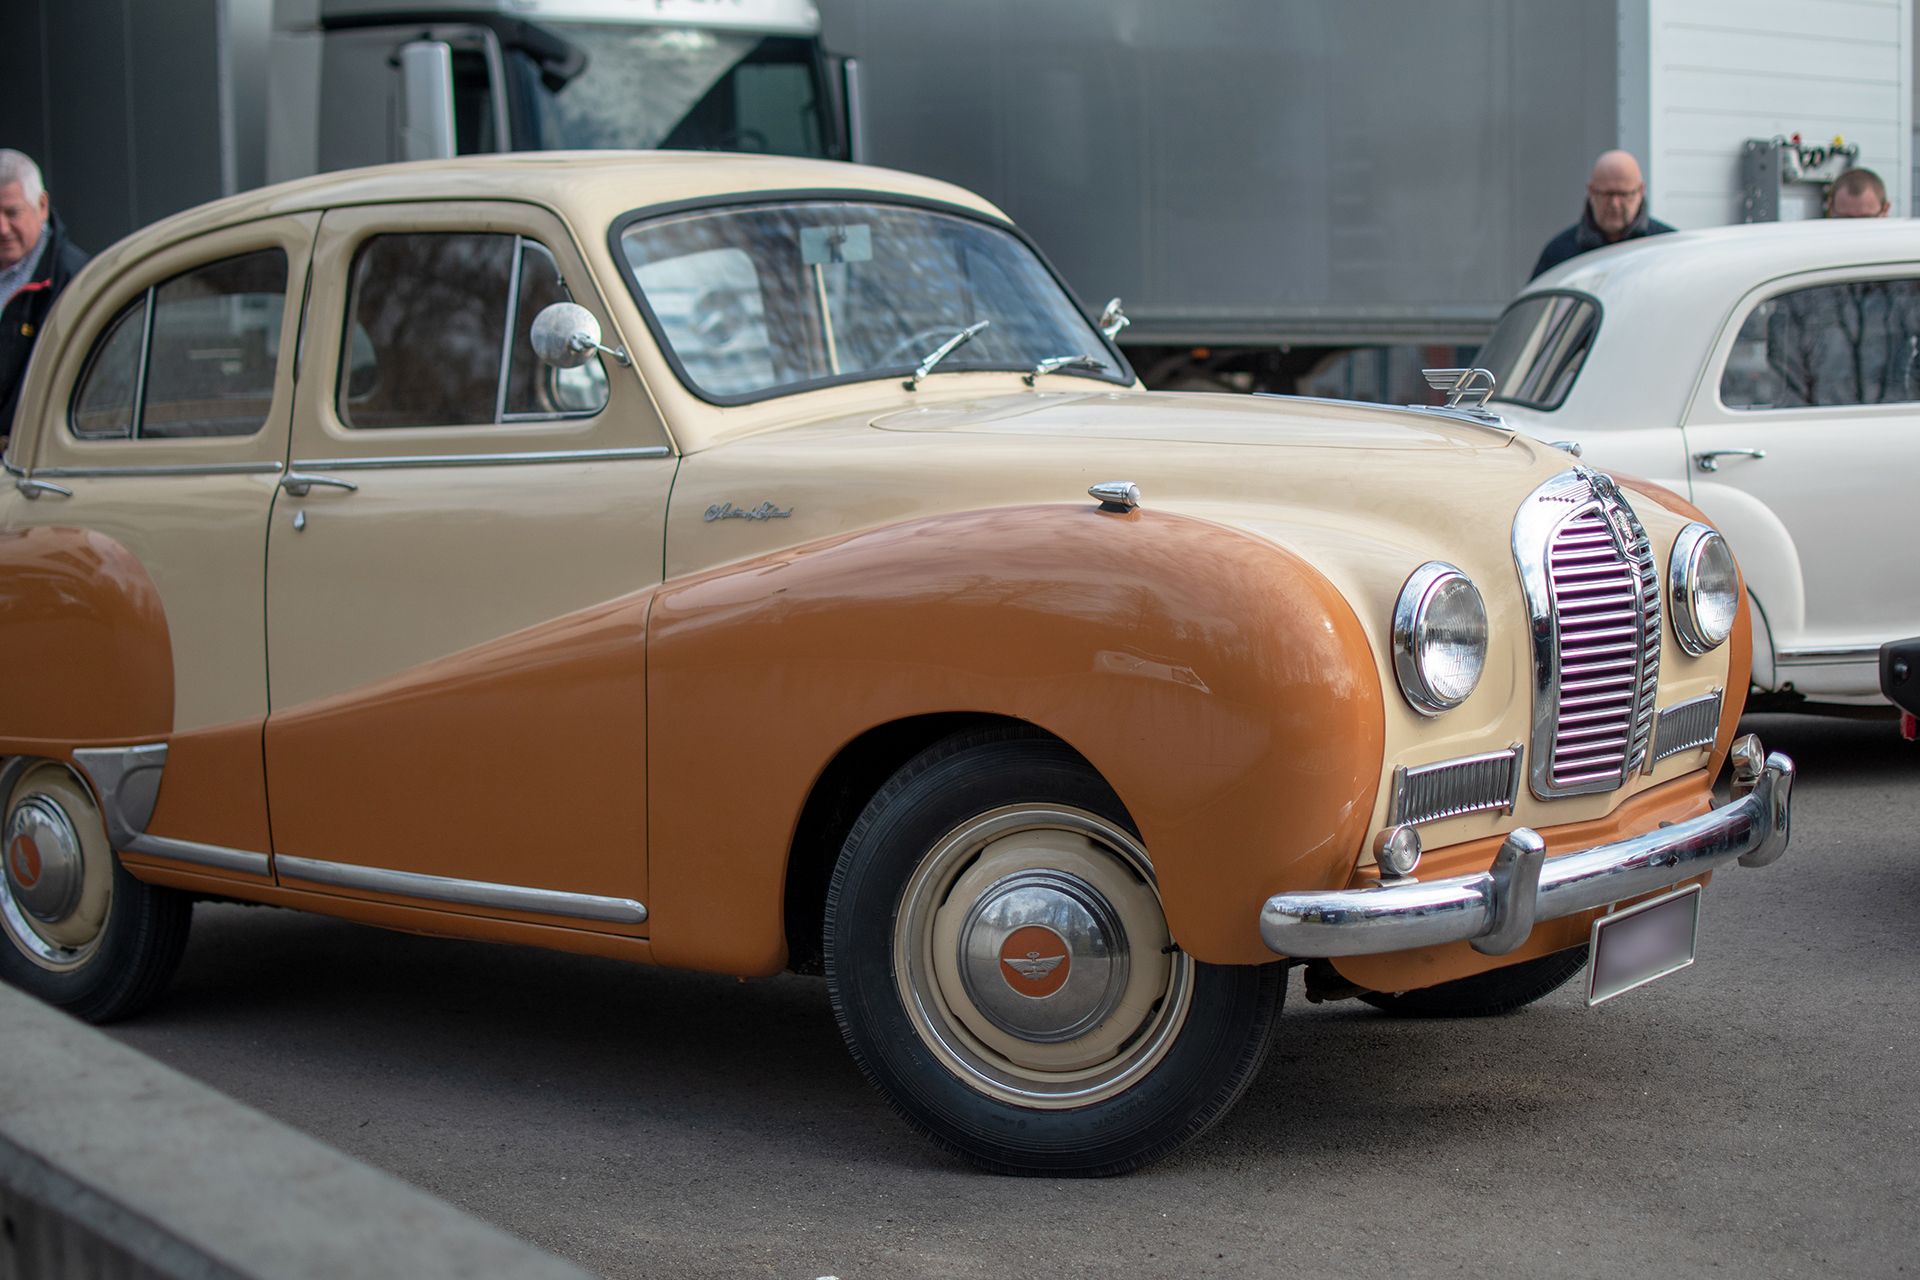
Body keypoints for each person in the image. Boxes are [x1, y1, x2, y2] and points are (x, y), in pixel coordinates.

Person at [0, 149, 89, 437]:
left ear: (41, 205)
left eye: (13, 213)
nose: (2, 228)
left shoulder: (75, 280)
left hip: (29, 458)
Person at [1530, 150, 1676, 280]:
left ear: (1640, 191)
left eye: (1623, 194)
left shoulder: (1668, 247)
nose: (1615, 204)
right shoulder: (1559, 253)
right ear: (1591, 191)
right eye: (1607, 194)